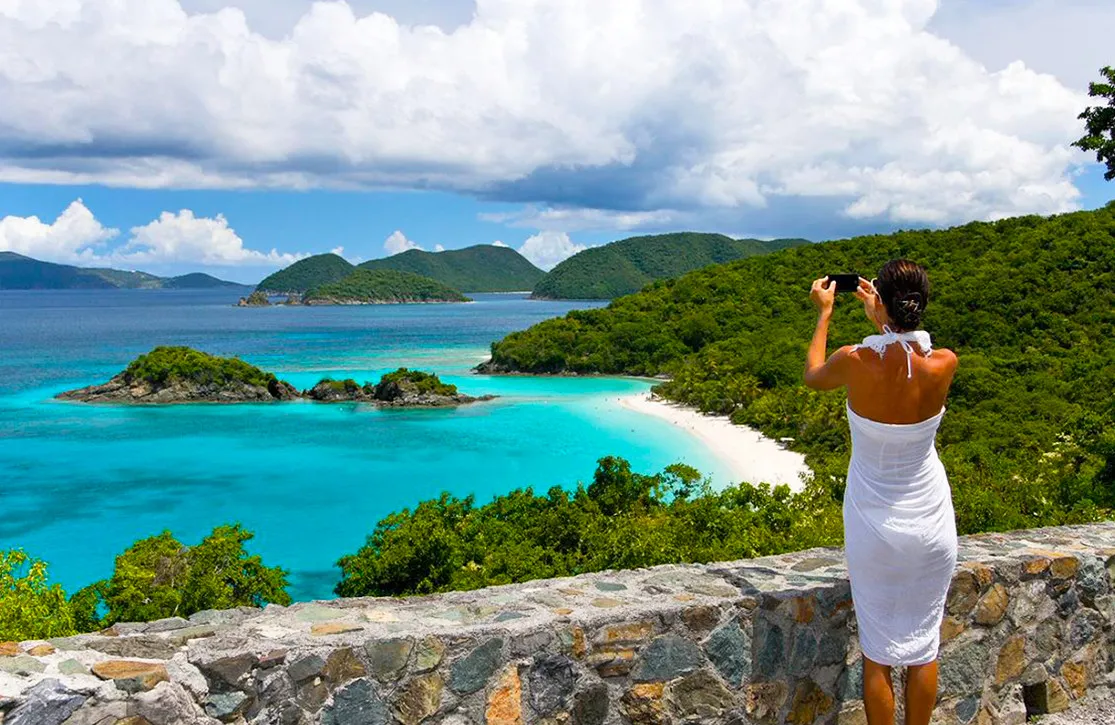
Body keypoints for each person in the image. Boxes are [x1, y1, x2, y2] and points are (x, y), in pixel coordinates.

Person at [802, 259, 959, 725]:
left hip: (875, 524)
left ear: (884, 305)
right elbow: (908, 352)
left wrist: (825, 312)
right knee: (923, 647)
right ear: (920, 307)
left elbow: (813, 374)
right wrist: (885, 319)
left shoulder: (856, 360)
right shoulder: (944, 363)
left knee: (879, 653)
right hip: (931, 522)